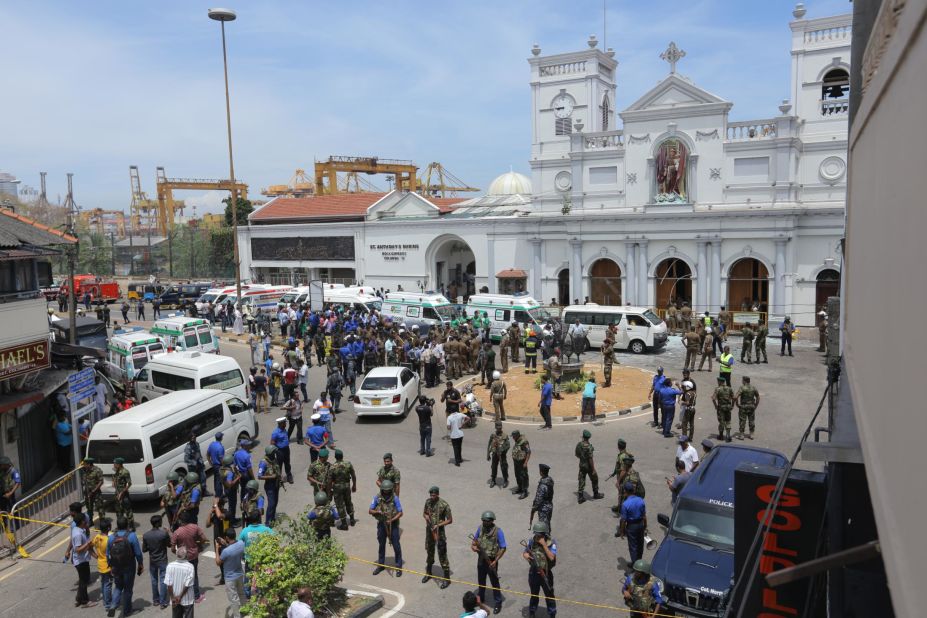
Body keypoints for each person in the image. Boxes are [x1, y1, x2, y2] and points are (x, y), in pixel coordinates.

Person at [106, 516, 144, 617]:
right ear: (127, 525)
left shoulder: (111, 538)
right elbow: (138, 553)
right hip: (129, 567)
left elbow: (107, 554)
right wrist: (140, 563)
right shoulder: (131, 536)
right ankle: (127, 611)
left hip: (116, 567)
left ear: (117, 526)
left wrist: (110, 566)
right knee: (127, 589)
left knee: (118, 587)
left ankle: (113, 605)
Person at [471, 511, 506, 614]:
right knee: (481, 580)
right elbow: (474, 541)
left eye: (487, 521)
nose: (485, 522)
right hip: (481, 559)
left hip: (491, 560)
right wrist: (473, 547)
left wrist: (495, 561)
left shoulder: (498, 531)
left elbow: (503, 547)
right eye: (483, 520)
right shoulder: (480, 528)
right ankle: (481, 598)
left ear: (492, 521)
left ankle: (498, 602)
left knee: (494, 582)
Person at [170, 511, 208, 604]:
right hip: (194, 555)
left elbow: (172, 547)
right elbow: (204, 539)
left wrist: (177, 552)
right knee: (194, 576)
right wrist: (199, 545)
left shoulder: (177, 532)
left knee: (183, 576)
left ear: (180, 520)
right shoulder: (195, 527)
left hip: (182, 558)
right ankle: (196, 596)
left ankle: (184, 595)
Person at [523, 520, 557, 618]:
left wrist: (544, 545)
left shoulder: (551, 543)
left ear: (544, 534)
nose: (537, 536)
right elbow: (525, 552)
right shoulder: (532, 541)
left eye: (539, 535)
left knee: (549, 595)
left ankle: (552, 613)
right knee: (534, 594)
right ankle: (532, 612)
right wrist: (526, 556)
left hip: (546, 573)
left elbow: (551, 557)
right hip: (534, 573)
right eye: (536, 534)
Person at [369, 479, 403, 576]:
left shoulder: (395, 498)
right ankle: (381, 565)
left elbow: (401, 512)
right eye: (384, 490)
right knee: (381, 545)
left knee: (396, 545)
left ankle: (398, 566)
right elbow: (370, 510)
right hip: (381, 524)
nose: (386, 492)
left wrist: (391, 520)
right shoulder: (377, 497)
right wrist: (377, 512)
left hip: (393, 525)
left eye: (388, 490)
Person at [421, 486, 453, 588]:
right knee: (429, 551)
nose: (432, 497)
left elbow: (450, 520)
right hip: (429, 531)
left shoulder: (444, 505)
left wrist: (438, 525)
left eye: (434, 495)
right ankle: (429, 573)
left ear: (438, 494)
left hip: (439, 533)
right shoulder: (428, 502)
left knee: (442, 554)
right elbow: (424, 513)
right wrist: (427, 517)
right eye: (431, 495)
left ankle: (447, 579)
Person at [215, 528, 246, 618]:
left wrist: (217, 549)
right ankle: (245, 611)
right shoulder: (241, 543)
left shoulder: (226, 551)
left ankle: (237, 616)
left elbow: (218, 562)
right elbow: (233, 548)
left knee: (234, 599)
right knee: (241, 594)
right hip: (240, 574)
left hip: (230, 578)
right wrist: (226, 544)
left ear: (227, 538)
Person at [143, 514, 171, 610]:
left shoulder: (146, 535)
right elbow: (170, 545)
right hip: (162, 560)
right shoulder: (163, 534)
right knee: (163, 580)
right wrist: (168, 533)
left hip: (153, 560)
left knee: (154, 580)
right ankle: (163, 602)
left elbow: (144, 549)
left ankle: (156, 600)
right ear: (158, 523)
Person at [618, 482, 647, 568]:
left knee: (633, 547)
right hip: (640, 524)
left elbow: (623, 520)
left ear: (625, 491)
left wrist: (622, 531)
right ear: (633, 490)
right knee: (640, 545)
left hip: (632, 527)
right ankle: (638, 563)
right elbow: (644, 516)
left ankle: (636, 568)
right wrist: (645, 526)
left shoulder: (625, 504)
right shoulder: (641, 500)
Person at [70, 509, 95, 608]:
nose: (87, 522)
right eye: (85, 521)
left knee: (82, 580)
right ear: (82, 522)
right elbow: (78, 549)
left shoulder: (80, 530)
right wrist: (88, 544)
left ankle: (79, 598)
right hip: (81, 561)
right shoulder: (78, 534)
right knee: (84, 581)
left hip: (83, 560)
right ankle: (85, 601)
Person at [165, 545, 196, 618]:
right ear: (186, 555)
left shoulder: (170, 566)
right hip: (187, 599)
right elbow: (187, 584)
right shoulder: (190, 567)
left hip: (174, 600)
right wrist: (180, 597)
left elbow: (169, 584)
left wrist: (172, 597)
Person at [330, 449, 357, 529]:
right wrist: (354, 485)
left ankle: (344, 524)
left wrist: (329, 491)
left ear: (335, 457)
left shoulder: (332, 467)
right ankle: (352, 520)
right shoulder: (348, 464)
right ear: (342, 456)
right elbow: (353, 475)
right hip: (346, 486)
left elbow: (329, 481)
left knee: (339, 505)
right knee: (348, 502)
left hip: (337, 488)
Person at [575, 429, 604, 503]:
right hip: (588, 466)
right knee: (595, 478)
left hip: (582, 465)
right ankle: (596, 493)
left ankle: (580, 497)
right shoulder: (589, 447)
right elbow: (590, 459)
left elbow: (577, 454)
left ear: (583, 436)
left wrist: (582, 458)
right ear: (588, 438)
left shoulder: (579, 444)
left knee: (581, 479)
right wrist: (593, 469)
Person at [77, 456, 104, 526]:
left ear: (89, 464)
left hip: (96, 493)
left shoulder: (97, 470)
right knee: (89, 508)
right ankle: (90, 521)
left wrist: (93, 491)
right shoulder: (85, 470)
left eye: (85, 464)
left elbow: (101, 481)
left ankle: (102, 523)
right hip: (87, 493)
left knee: (100, 508)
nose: (84, 465)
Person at [112, 457, 135, 530]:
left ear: (119, 464)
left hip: (124, 495)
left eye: (115, 463)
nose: (114, 465)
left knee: (128, 512)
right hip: (117, 494)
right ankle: (121, 527)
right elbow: (116, 481)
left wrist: (122, 492)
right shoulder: (117, 471)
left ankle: (131, 527)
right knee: (119, 512)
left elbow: (129, 483)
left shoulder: (125, 472)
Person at [734, 376, 761, 440]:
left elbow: (735, 397)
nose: (742, 381)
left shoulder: (742, 388)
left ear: (744, 381)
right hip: (751, 406)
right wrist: (756, 405)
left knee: (742, 421)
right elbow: (758, 397)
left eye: (742, 380)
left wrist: (737, 404)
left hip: (743, 407)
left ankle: (741, 435)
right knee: (751, 420)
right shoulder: (753, 387)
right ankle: (751, 434)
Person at [486, 421, 510, 488]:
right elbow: (489, 444)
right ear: (495, 427)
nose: (499, 428)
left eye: (500, 427)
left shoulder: (505, 435)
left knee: (504, 467)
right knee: (493, 467)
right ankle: (493, 480)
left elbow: (508, 445)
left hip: (502, 455)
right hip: (494, 454)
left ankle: (505, 480)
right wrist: (488, 454)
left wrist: (502, 450)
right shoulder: (493, 435)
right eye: (497, 427)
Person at [530, 463, 554, 529]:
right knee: (547, 524)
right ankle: (548, 537)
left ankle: (546, 538)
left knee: (543, 527)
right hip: (549, 506)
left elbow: (539, 499)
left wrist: (534, 508)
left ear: (541, 472)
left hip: (544, 508)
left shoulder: (543, 485)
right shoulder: (549, 480)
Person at [711, 376, 735, 443]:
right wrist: (732, 405)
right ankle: (728, 435)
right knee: (728, 421)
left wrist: (716, 406)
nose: (717, 382)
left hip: (721, 408)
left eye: (718, 381)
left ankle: (721, 436)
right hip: (728, 407)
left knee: (721, 422)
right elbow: (734, 398)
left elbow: (713, 398)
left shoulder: (718, 389)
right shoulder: (729, 388)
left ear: (720, 382)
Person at [271, 417, 294, 484]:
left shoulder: (284, 430)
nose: (285, 424)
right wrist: (276, 450)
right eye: (284, 423)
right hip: (280, 451)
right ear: (280, 424)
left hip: (286, 449)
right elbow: (272, 442)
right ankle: (279, 479)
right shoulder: (275, 432)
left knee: (287, 464)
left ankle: (289, 476)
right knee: (279, 465)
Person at [510, 430, 531, 499]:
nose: (513, 438)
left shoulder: (524, 442)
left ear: (516, 436)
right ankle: (520, 488)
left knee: (523, 476)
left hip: (522, 462)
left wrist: (525, 462)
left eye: (513, 436)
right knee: (517, 475)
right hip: (516, 461)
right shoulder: (517, 440)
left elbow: (528, 452)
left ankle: (525, 492)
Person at [207, 433, 226, 499]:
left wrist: (210, 462)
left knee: (216, 480)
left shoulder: (212, 444)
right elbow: (221, 459)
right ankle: (219, 496)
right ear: (221, 438)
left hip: (214, 465)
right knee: (219, 481)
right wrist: (224, 466)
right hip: (219, 466)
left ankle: (218, 493)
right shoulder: (220, 447)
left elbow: (207, 454)